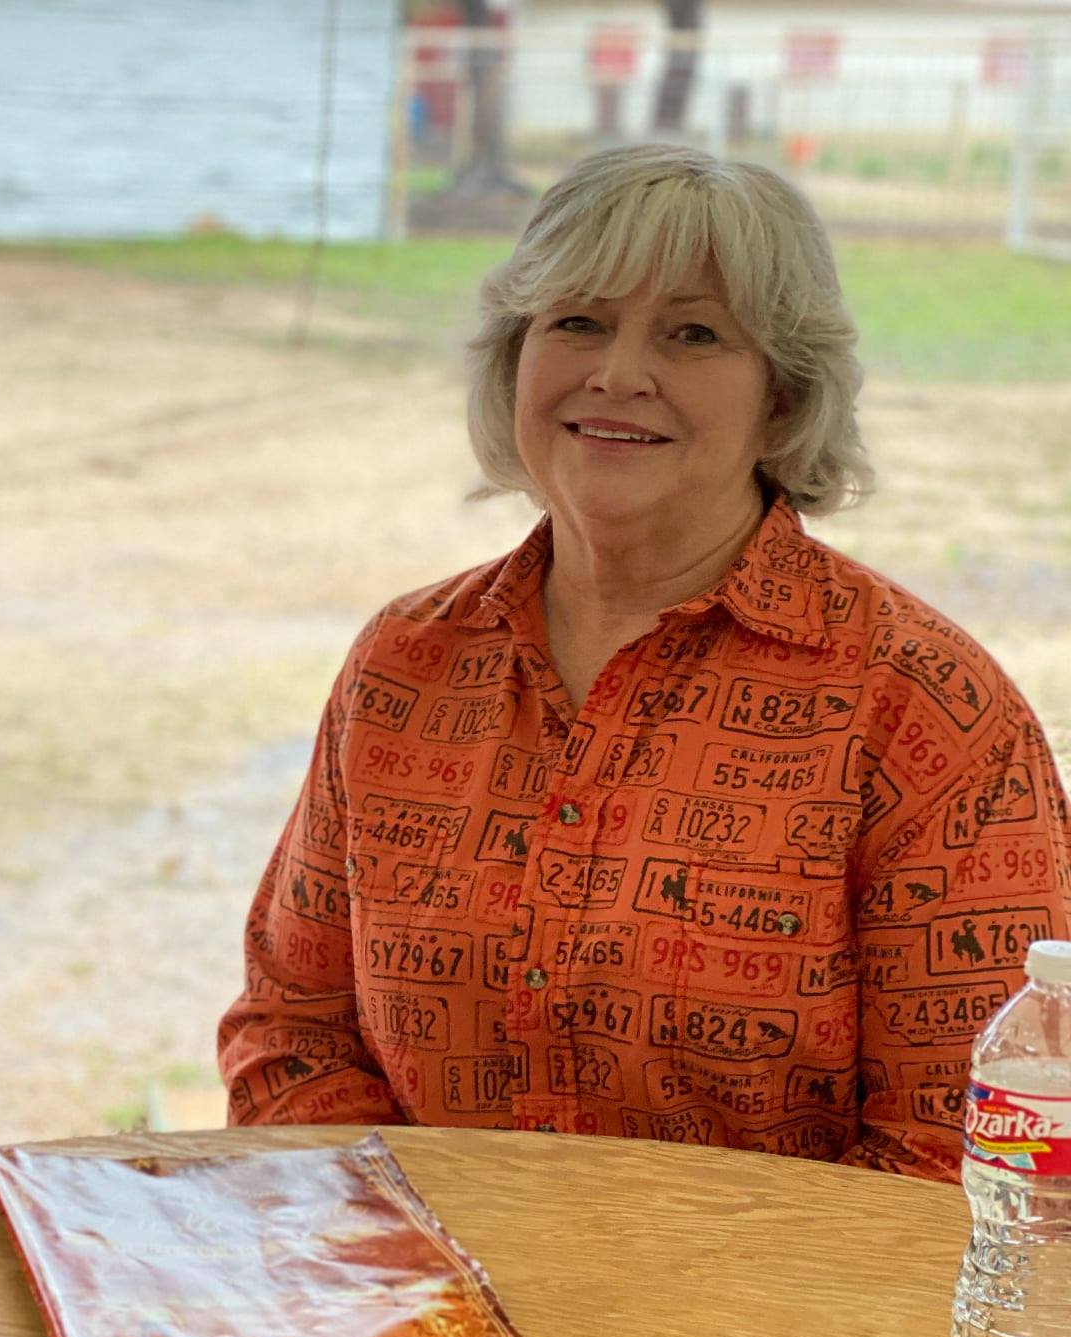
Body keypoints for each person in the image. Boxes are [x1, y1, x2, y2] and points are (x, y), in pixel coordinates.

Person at [219, 144, 1070, 1180]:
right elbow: (292, 1030)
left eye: (693, 333)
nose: (618, 374)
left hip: (774, 1331)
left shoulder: (926, 709)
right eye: (576, 320)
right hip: (425, 1316)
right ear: (514, 360)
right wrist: (417, 1271)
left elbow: (965, 1146)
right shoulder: (405, 664)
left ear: (785, 400)